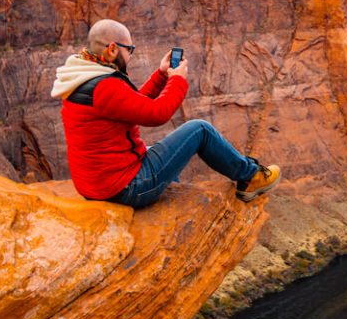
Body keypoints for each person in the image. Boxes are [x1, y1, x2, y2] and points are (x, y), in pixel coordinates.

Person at [50, 19, 280, 208]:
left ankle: (170, 192)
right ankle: (251, 178)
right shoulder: (105, 85)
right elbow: (157, 114)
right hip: (123, 188)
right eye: (129, 50)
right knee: (199, 130)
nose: (130, 56)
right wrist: (177, 79)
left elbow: (131, 105)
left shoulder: (83, 76)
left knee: (159, 150)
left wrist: (161, 76)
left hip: (97, 184)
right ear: (112, 49)